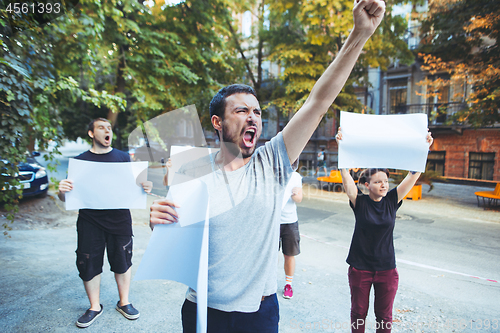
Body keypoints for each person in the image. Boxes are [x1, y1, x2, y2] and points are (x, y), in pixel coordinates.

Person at [150, 1, 387, 331]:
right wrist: (160, 221)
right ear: (217, 122)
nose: (253, 117)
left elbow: (318, 103)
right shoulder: (190, 167)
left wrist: (360, 34)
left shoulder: (271, 162)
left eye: (257, 112)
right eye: (242, 111)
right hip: (203, 309)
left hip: (259, 314)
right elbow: (175, 238)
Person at [336, 128, 433, 333]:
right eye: (378, 181)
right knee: (359, 313)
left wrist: (424, 148)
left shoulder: (392, 200)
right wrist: (341, 148)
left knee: (384, 317)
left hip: (387, 269)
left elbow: (414, 174)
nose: (384, 184)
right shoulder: (359, 202)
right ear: (366, 185)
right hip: (360, 268)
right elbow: (346, 179)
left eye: (386, 181)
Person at [58, 118, 152, 328]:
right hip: (89, 221)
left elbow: (138, 188)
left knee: (122, 260)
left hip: (119, 221)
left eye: (109, 128)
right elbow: (67, 198)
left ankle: (124, 302)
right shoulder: (80, 162)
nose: (107, 130)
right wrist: (61, 192)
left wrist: (145, 186)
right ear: (91, 133)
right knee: (88, 263)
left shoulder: (124, 158)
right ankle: (94, 307)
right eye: (101, 127)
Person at [280, 171, 303, 299]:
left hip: (290, 221)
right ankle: (268, 284)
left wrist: (295, 195)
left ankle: (288, 285)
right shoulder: (271, 172)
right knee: (270, 255)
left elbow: (299, 199)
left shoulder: (296, 176)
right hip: (273, 220)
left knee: (289, 254)